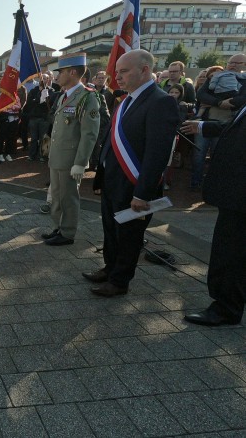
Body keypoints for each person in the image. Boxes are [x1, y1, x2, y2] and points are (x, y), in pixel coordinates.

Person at [83, 49, 179, 296]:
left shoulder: (161, 101)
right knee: (110, 229)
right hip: (114, 181)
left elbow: (157, 153)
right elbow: (111, 142)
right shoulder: (125, 100)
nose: (118, 78)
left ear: (145, 70)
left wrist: (143, 193)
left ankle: (119, 281)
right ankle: (109, 268)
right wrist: (101, 177)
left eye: (124, 71)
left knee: (129, 236)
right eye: (117, 73)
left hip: (136, 185)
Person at [179, 107, 246, 326]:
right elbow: (235, 129)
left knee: (231, 253)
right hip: (233, 195)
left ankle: (227, 309)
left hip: (239, 196)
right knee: (229, 249)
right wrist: (203, 126)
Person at [42, 53, 100, 247]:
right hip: (58, 157)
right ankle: (59, 227)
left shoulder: (87, 98)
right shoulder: (65, 96)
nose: (57, 76)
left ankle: (67, 233)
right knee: (57, 197)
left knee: (68, 198)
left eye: (61, 72)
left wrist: (80, 163)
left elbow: (89, 134)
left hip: (71, 159)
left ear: (73, 72)